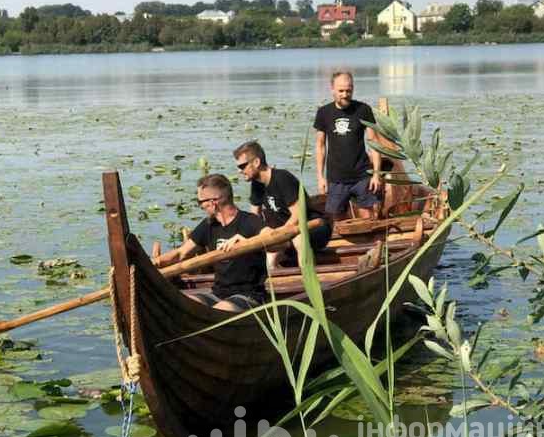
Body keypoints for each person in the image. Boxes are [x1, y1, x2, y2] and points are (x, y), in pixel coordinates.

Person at [152, 174, 269, 312]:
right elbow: (180, 253)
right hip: (218, 294)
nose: (200, 206)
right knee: (184, 306)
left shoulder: (249, 221)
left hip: (249, 295)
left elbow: (276, 241)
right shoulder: (209, 225)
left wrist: (247, 242)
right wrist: (155, 263)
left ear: (213, 203)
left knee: (219, 310)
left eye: (200, 202)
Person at [233, 141, 332, 269]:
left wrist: (278, 235)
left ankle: (308, 281)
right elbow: (253, 218)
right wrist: (243, 237)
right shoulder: (257, 185)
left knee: (298, 238)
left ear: (256, 162)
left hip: (315, 227)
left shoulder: (282, 178)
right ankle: (277, 284)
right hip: (286, 232)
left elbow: (297, 216)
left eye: (242, 166)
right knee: (270, 254)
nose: (240, 171)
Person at [314, 70, 383, 219]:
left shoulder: (363, 110)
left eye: (348, 90)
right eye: (341, 91)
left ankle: (372, 242)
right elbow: (320, 146)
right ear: (332, 88)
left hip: (362, 176)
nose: (345, 94)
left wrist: (376, 174)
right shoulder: (323, 113)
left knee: (369, 217)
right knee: (334, 221)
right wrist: (320, 177)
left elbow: (374, 143)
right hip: (336, 178)